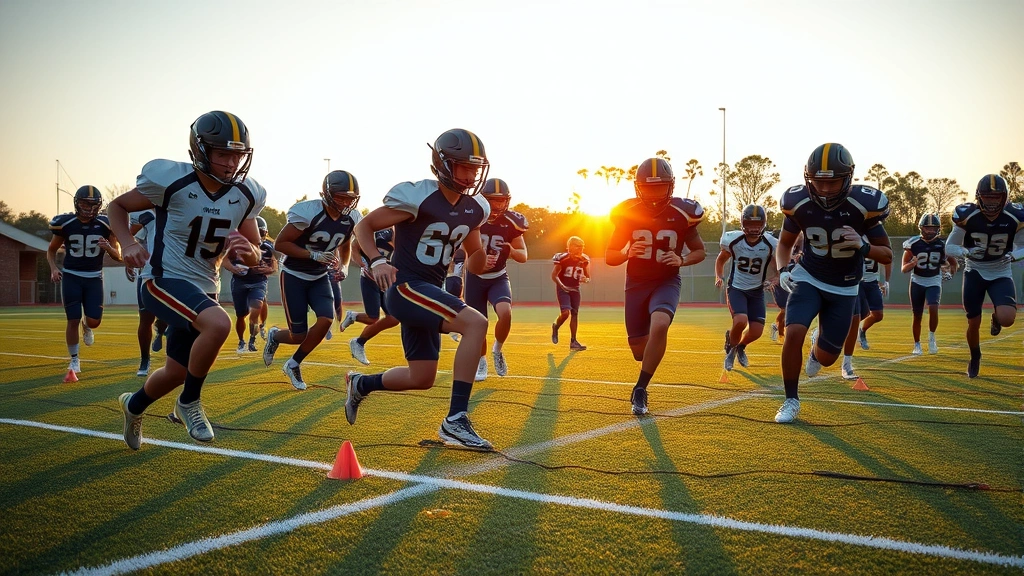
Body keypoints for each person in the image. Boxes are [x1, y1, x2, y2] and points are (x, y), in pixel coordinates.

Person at [109, 110, 267, 450]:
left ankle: (133, 406)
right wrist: (129, 243)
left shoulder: (247, 193)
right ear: (200, 150)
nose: (230, 163)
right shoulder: (170, 180)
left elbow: (254, 250)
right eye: (222, 153)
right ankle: (189, 403)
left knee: (175, 372)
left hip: (205, 287)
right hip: (162, 280)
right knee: (219, 324)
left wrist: (249, 251)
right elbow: (117, 206)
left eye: (237, 154)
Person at [345, 128, 494, 449]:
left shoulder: (475, 208)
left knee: (421, 377)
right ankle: (455, 420)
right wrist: (375, 261)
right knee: (476, 324)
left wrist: (483, 257)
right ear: (442, 164)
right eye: (463, 166)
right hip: (405, 287)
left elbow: (473, 258)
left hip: (428, 292)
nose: (471, 175)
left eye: (475, 168)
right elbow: (363, 225)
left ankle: (361, 384)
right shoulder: (418, 196)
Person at [774, 143, 891, 423]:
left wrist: (862, 246)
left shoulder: (863, 206)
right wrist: (782, 270)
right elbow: (784, 244)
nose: (825, 189)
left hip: (845, 285)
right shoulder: (798, 203)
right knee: (793, 332)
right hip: (809, 276)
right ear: (809, 178)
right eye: (819, 182)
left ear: (848, 178)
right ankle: (790, 400)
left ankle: (819, 344)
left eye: (833, 182)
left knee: (826, 359)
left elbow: (887, 254)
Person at [607, 157, 706, 415]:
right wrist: (628, 252)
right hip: (636, 284)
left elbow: (700, 251)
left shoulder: (682, 213)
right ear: (638, 187)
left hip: (666, 280)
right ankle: (647, 360)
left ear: (670, 186)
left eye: (659, 187)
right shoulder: (627, 213)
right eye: (648, 187)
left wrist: (681, 259)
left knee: (660, 324)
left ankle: (640, 388)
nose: (653, 194)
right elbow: (610, 255)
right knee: (639, 352)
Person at [263, 170, 360, 390]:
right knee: (298, 335)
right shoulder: (308, 212)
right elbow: (281, 244)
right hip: (295, 275)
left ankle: (293, 363)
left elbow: (346, 245)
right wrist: (312, 255)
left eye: (350, 198)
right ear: (326, 194)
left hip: (319, 277)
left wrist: (343, 266)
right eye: (341, 196)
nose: (346, 202)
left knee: (326, 320)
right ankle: (275, 336)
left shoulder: (351, 218)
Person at [944, 174, 1024, 378]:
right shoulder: (967, 215)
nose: (991, 202)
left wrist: (1013, 255)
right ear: (979, 196)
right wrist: (964, 252)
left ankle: (996, 317)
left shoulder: (1015, 216)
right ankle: (975, 355)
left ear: (1004, 197)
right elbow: (949, 247)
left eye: (996, 197)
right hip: (975, 270)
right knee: (973, 323)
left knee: (1007, 319)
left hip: (1000, 271)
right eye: (987, 197)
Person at [47, 185, 122, 375]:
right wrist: (54, 268)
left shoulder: (106, 224)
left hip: (94, 277)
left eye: (92, 205)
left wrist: (108, 248)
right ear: (76, 203)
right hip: (71, 275)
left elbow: (118, 256)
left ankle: (87, 326)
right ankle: (74, 360)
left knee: (94, 321)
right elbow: (51, 250)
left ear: (99, 206)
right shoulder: (65, 223)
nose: (88, 208)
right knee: (72, 319)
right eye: (84, 204)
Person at [464, 178, 529, 380]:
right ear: (483, 199)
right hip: (475, 277)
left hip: (498, 277)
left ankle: (497, 350)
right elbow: (463, 255)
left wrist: (510, 250)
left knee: (505, 313)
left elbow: (523, 255)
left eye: (502, 200)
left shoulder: (511, 223)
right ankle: (481, 359)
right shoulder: (472, 218)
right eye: (493, 200)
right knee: (479, 324)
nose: (498, 205)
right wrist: (478, 263)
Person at [715, 204, 777, 371]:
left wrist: (775, 279)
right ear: (743, 223)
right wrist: (718, 276)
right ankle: (732, 351)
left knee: (756, 332)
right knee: (741, 321)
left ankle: (740, 346)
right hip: (737, 288)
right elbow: (721, 260)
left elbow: (777, 268)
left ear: (764, 223)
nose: (754, 228)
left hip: (756, 291)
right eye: (750, 224)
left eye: (757, 224)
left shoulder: (770, 244)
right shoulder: (734, 240)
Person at [902, 213, 958, 355]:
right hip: (917, 281)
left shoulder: (942, 245)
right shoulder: (913, 244)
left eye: (933, 228)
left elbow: (954, 263)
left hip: (934, 280)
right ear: (921, 228)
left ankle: (932, 337)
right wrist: (912, 264)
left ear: (938, 229)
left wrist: (950, 273)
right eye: (927, 228)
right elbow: (903, 269)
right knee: (917, 315)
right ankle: (917, 344)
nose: (930, 231)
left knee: (933, 307)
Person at [346, 227, 401, 365]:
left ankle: (358, 338)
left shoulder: (399, 231)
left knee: (393, 318)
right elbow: (355, 245)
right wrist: (362, 264)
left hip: (386, 279)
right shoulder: (380, 230)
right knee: (373, 318)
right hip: (370, 278)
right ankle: (356, 330)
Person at [222, 216, 276, 353]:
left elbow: (274, 266)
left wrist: (267, 269)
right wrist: (233, 268)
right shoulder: (235, 245)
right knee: (241, 315)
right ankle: (241, 341)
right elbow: (224, 260)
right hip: (240, 281)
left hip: (258, 281)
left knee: (256, 308)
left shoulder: (268, 247)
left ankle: (252, 340)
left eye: (260, 232)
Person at [128, 209, 167, 377]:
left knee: (170, 317)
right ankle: (145, 359)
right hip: (148, 272)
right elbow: (128, 236)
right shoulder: (144, 213)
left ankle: (160, 329)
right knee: (145, 318)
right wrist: (129, 255)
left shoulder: (181, 207)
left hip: (174, 272)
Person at [551, 236, 591, 350]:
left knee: (575, 314)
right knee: (565, 313)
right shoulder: (562, 258)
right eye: (578, 246)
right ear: (571, 247)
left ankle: (573, 342)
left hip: (575, 289)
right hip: (563, 288)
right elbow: (554, 275)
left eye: (582, 247)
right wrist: (562, 286)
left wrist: (585, 279)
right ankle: (556, 326)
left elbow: (588, 276)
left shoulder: (584, 259)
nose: (581, 249)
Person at [768, 231, 802, 344]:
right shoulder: (778, 249)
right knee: (785, 309)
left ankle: (776, 326)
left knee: (792, 309)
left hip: (793, 281)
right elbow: (772, 264)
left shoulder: (800, 248)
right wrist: (774, 277)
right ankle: (781, 334)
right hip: (780, 282)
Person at [444, 247, 466, 341]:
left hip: (457, 277)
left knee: (458, 302)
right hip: (450, 277)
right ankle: (453, 328)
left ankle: (455, 328)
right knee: (453, 302)